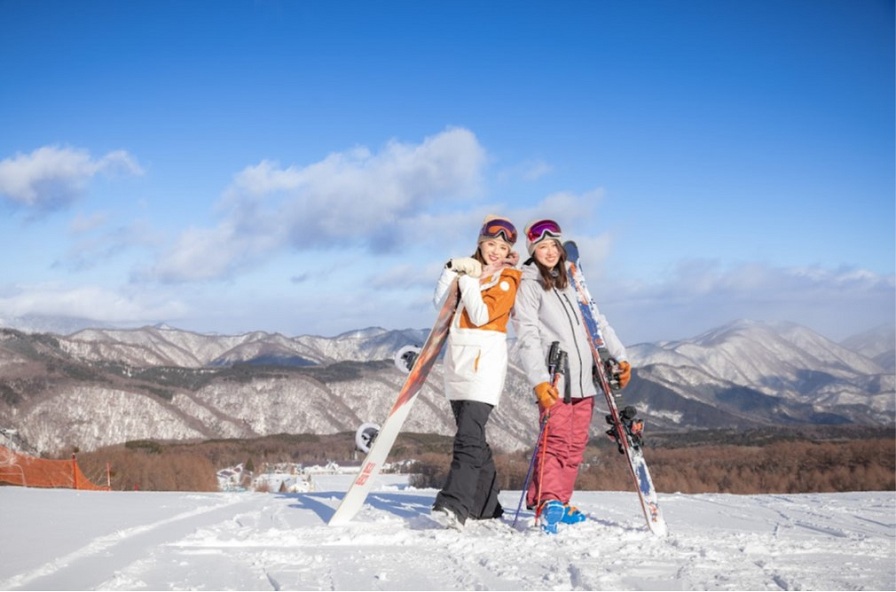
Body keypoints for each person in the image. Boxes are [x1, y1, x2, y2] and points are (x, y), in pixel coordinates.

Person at [512, 218, 632, 534]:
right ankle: (549, 499)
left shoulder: (572, 281)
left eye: (554, 245)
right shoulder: (529, 285)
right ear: (532, 251)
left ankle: (558, 502)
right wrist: (538, 378)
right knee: (555, 441)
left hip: (585, 380)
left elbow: (597, 320)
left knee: (575, 445)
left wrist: (621, 356)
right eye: (542, 247)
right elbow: (526, 334)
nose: (549, 251)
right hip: (556, 379)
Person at [430, 215, 522, 529]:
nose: (496, 251)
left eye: (502, 246)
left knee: (467, 440)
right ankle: (485, 506)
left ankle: (454, 506)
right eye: (490, 243)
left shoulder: (508, 278)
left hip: (484, 366)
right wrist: (450, 270)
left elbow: (481, 315)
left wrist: (468, 278)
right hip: (457, 363)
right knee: (475, 440)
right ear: (480, 243)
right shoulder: (473, 269)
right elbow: (440, 303)